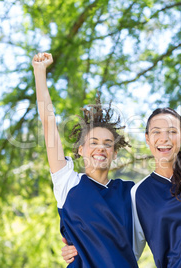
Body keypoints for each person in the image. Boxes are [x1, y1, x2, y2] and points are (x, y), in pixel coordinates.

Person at [61, 25, 181, 267]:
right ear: (148, 140)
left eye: (172, 131)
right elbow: (114, 241)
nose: (164, 138)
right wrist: (75, 248)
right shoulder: (138, 194)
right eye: (157, 132)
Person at [32, 52, 138, 267]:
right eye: (94, 142)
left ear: (115, 153)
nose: (101, 148)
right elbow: (48, 124)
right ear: (80, 149)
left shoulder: (130, 193)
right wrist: (39, 71)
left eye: (108, 144)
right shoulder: (68, 183)